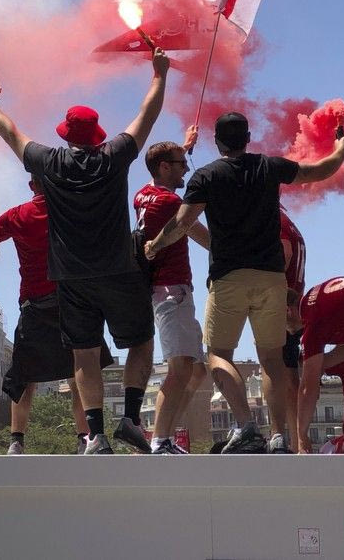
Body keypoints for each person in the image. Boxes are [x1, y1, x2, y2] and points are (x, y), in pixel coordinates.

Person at [0, 50, 169, 455]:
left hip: (71, 277)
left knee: (83, 354)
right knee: (141, 340)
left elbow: (9, 133)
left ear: (65, 134)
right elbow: (147, 115)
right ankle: (132, 418)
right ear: (97, 133)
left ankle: (95, 436)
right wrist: (158, 75)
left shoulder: (49, 162)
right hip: (118, 269)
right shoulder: (114, 156)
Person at [146, 112, 344, 453]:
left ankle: (245, 425)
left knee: (218, 354)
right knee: (271, 359)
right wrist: (341, 151)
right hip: (271, 278)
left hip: (228, 278)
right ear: (248, 137)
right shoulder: (269, 167)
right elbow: (318, 171)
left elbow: (182, 222)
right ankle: (279, 437)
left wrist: (154, 245)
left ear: (218, 142)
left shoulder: (206, 176)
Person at [0, 177, 110, 455]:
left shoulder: (18, 215)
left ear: (32, 184)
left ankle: (16, 442)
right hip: (73, 303)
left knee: (24, 377)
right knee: (80, 371)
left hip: (34, 306)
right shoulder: (72, 211)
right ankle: (86, 438)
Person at [134, 132, 212, 454]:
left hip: (163, 290)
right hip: (173, 291)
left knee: (196, 370)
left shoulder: (142, 195)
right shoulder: (171, 203)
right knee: (181, 368)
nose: (187, 170)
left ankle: (163, 432)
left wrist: (184, 145)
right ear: (165, 167)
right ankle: (159, 440)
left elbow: (165, 175)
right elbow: (199, 234)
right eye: (182, 165)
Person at [295, 277, 344, 454]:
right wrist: (314, 367)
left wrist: (301, 436)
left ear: (288, 312)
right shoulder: (319, 296)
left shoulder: (312, 319)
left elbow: (307, 388)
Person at [274, 206, 306, 452]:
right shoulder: (289, 222)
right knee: (291, 376)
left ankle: (281, 437)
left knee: (277, 369)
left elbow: (282, 257)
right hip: (292, 306)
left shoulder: (275, 220)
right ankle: (299, 443)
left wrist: (280, 297)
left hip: (281, 306)